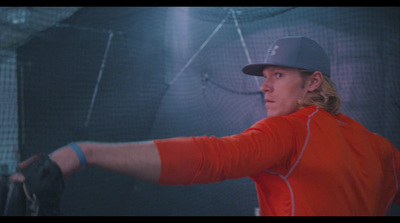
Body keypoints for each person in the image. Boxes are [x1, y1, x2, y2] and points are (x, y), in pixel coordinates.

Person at [11, 36, 400, 216]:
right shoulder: (378, 146)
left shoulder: (293, 129)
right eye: (265, 75)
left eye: (278, 75)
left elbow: (211, 157)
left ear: (313, 82)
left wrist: (85, 152)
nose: (264, 85)